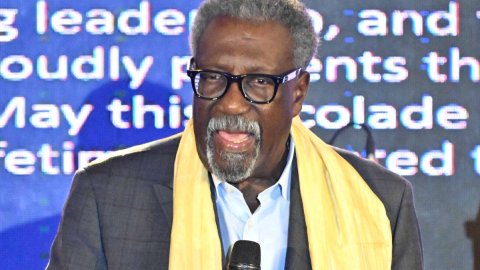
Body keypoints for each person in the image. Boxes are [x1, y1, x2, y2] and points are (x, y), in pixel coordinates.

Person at [47, 0, 423, 269]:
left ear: (299, 93)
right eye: (213, 77)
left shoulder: (382, 202)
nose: (229, 104)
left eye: (259, 82)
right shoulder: (107, 195)